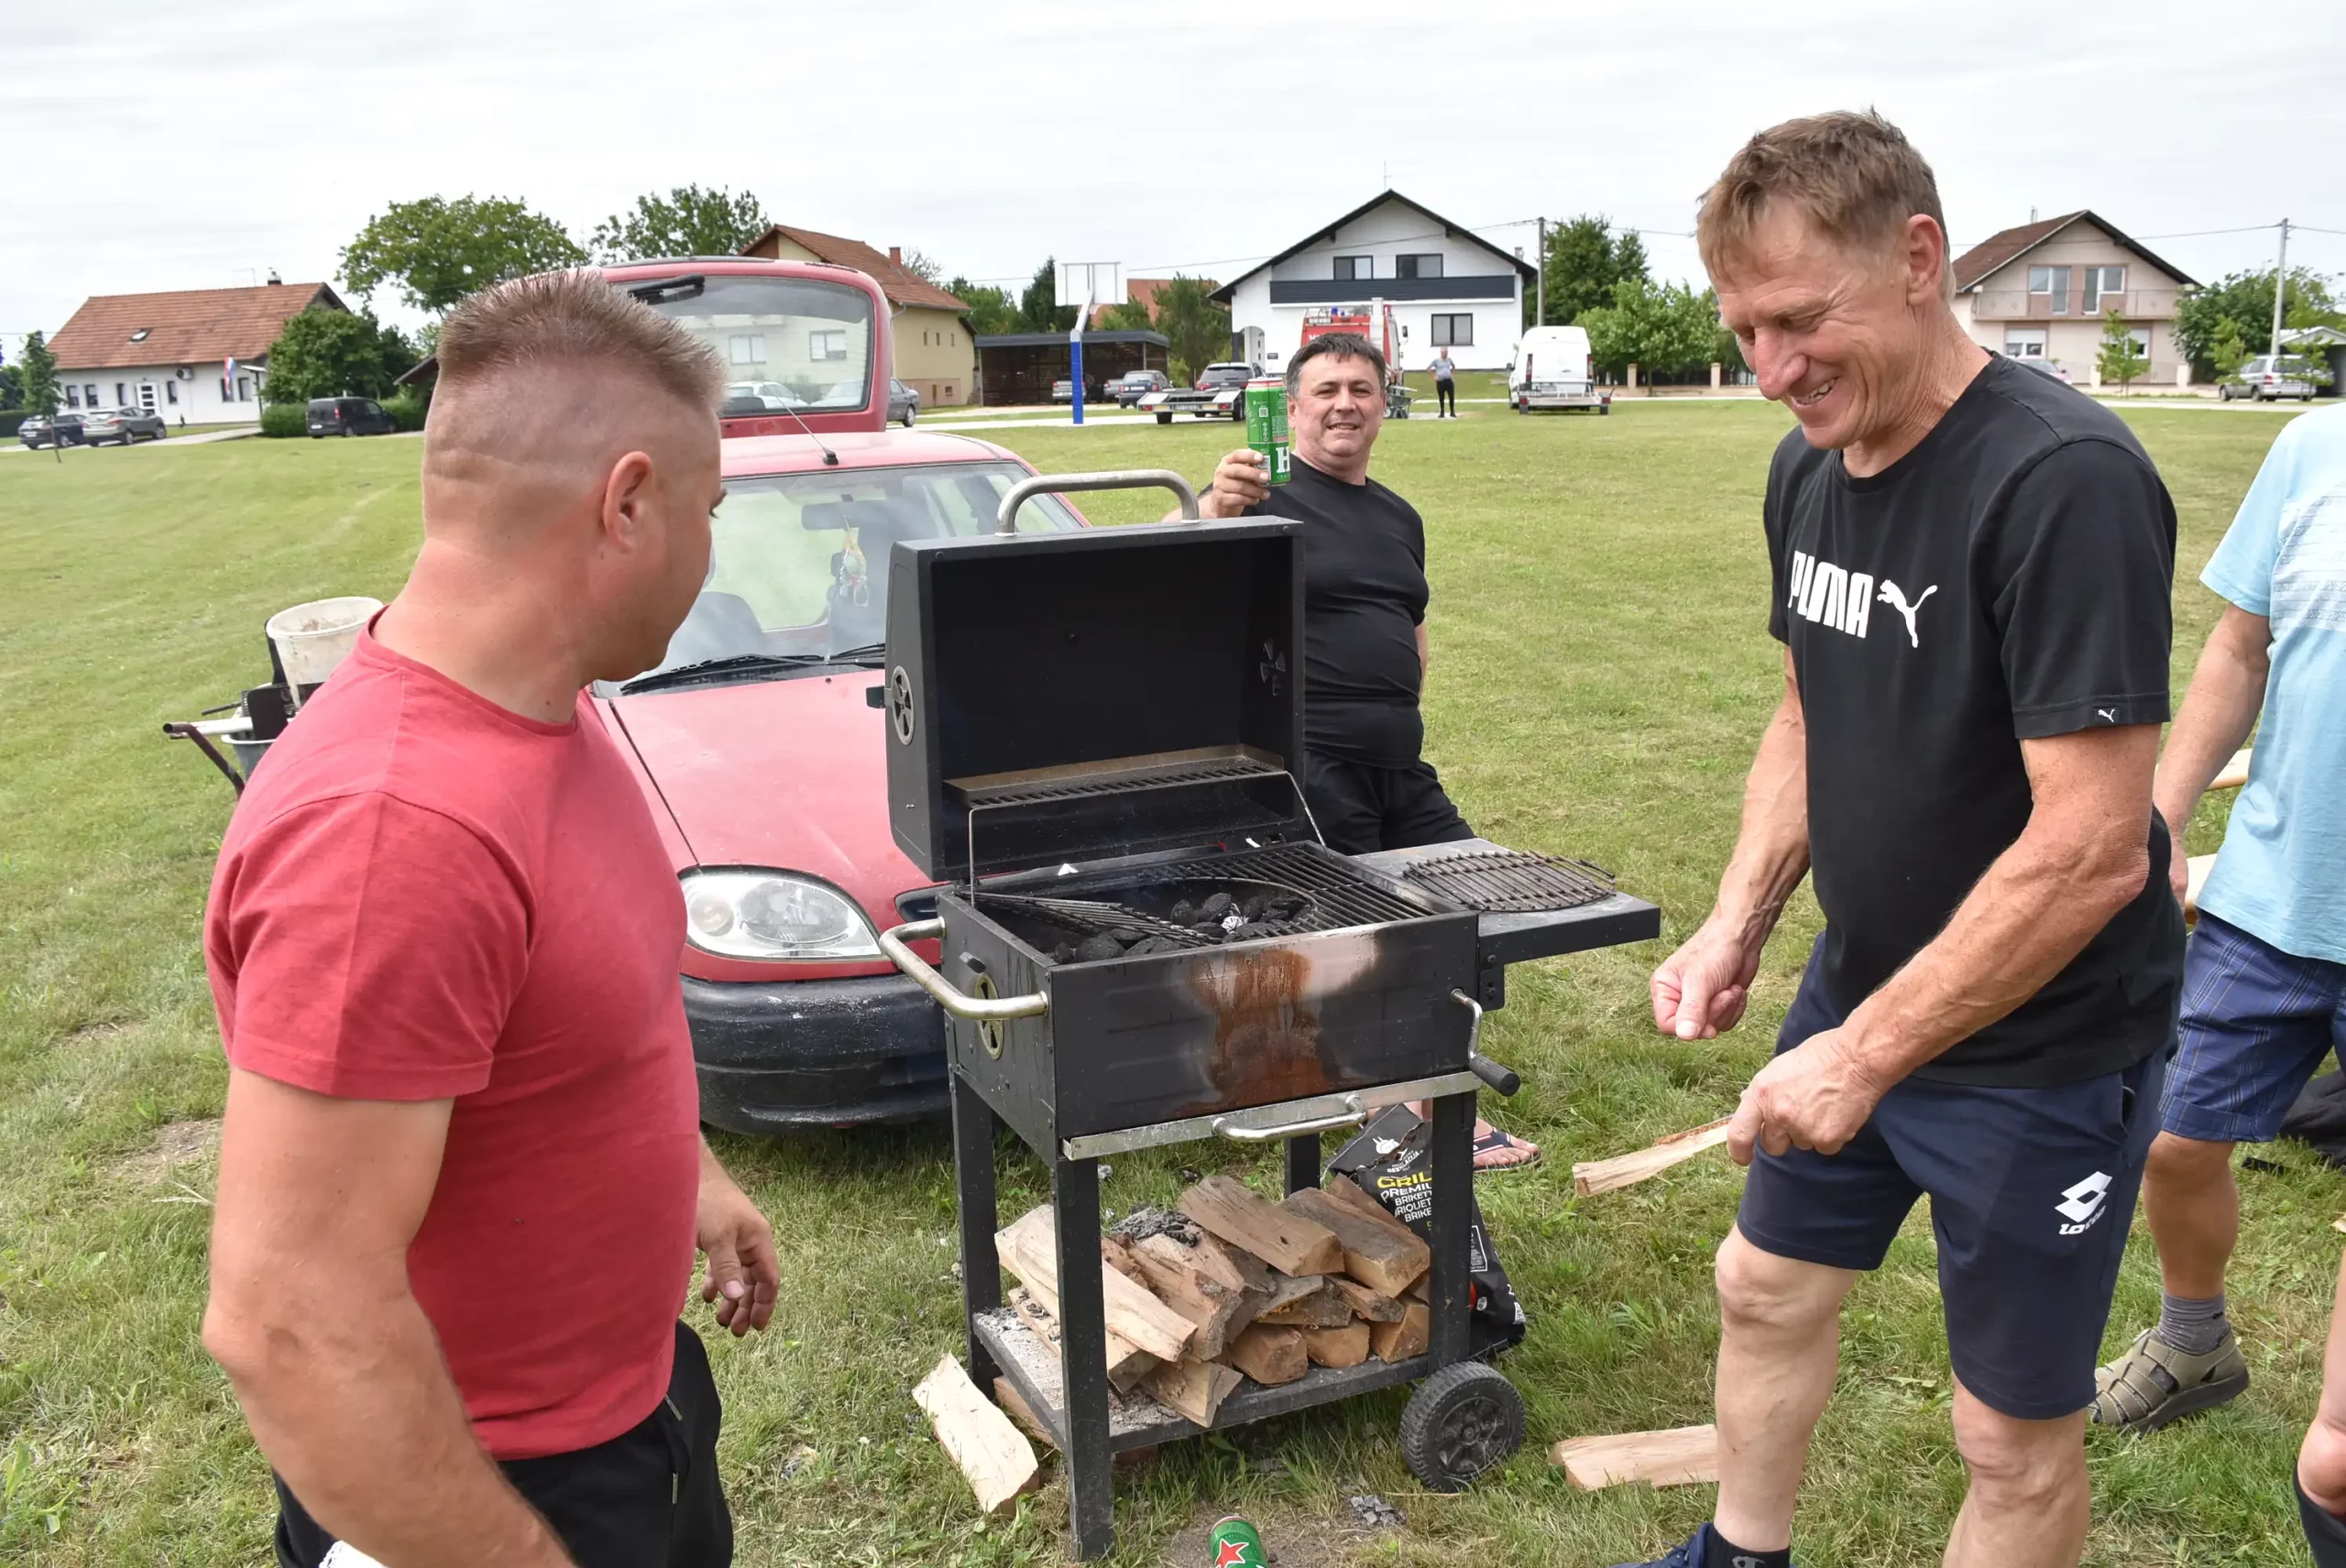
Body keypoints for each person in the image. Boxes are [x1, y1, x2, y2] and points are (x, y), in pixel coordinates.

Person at [1626, 111, 2183, 1568]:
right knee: (1763, 1283)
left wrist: (1867, 1054)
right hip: (1861, 983)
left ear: (1921, 259)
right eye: (1743, 329)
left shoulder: (2060, 479)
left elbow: (2094, 846)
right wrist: (1740, 921)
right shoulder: (1810, 469)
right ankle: (1738, 1557)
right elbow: (1812, 709)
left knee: (2008, 1434)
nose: (1772, 369)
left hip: (2043, 1041)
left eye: (1803, 319)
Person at [202, 271, 778, 1568]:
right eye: (711, 512)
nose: (708, 547)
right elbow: (289, 1323)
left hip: (630, 1416)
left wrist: (689, 1171)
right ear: (628, 503)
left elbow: (570, 1020)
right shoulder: (393, 831)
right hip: (487, 1487)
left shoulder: (543, 711)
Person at [1188, 333, 1536, 1172]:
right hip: (1312, 761)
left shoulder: (1397, 515)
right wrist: (1210, 508)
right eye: (1327, 390)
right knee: (1365, 929)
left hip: (1398, 760)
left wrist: (1408, 696)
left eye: (1361, 388)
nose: (1345, 403)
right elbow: (1169, 560)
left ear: (1384, 403)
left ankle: (1418, 1080)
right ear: (1295, 407)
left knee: (1459, 898)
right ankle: (1400, 1106)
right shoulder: (1260, 498)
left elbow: (1411, 625)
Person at [2091, 403, 2346, 1437]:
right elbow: (2241, 651)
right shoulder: (2312, 446)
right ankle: (2193, 1341)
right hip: (2270, 897)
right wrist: (2158, 817)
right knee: (2175, 1140)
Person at [1430, 345, 1457, 417]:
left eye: (1446, 352)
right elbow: (1428, 368)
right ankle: (1442, 412)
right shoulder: (1437, 361)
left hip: (1448, 381)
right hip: (1440, 381)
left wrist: (1452, 374)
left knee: (1451, 396)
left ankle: (1452, 412)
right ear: (1441, 353)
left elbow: (1454, 366)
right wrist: (1434, 376)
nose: (1445, 353)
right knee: (1441, 398)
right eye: (1443, 352)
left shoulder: (1449, 360)